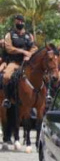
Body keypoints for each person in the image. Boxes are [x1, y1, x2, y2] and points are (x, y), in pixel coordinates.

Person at [1, 14, 36, 146]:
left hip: (26, 63)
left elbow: (34, 47)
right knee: (6, 76)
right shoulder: (10, 35)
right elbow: (8, 48)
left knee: (41, 76)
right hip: (14, 62)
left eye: (21, 21)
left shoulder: (29, 35)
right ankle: (7, 98)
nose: (19, 23)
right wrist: (22, 51)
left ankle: (44, 96)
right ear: (15, 22)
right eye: (17, 21)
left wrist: (29, 54)